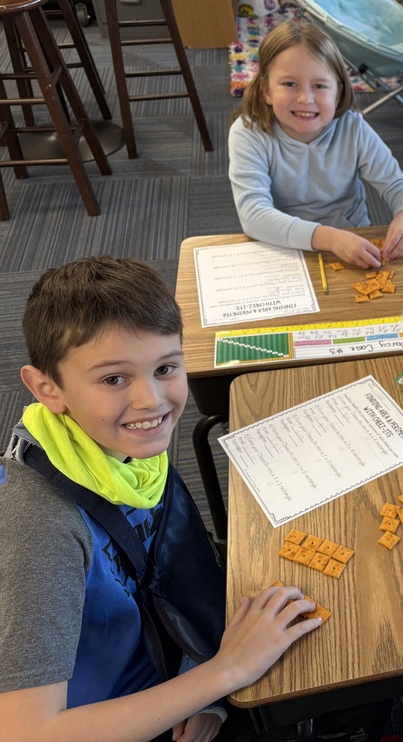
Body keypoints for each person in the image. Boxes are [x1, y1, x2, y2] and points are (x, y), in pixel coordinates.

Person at [0, 257, 322, 742]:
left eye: (166, 367)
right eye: (114, 379)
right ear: (48, 388)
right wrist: (223, 674)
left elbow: (168, 564)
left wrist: (199, 677)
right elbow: (29, 731)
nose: (152, 400)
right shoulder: (41, 528)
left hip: (167, 661)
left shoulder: (120, 442)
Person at [229, 21, 403, 269]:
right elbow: (253, 216)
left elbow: (400, 186)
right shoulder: (248, 134)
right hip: (283, 247)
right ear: (266, 90)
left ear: (338, 93)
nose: (305, 99)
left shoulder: (353, 128)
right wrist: (329, 238)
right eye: (289, 84)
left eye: (320, 86)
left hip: (352, 242)